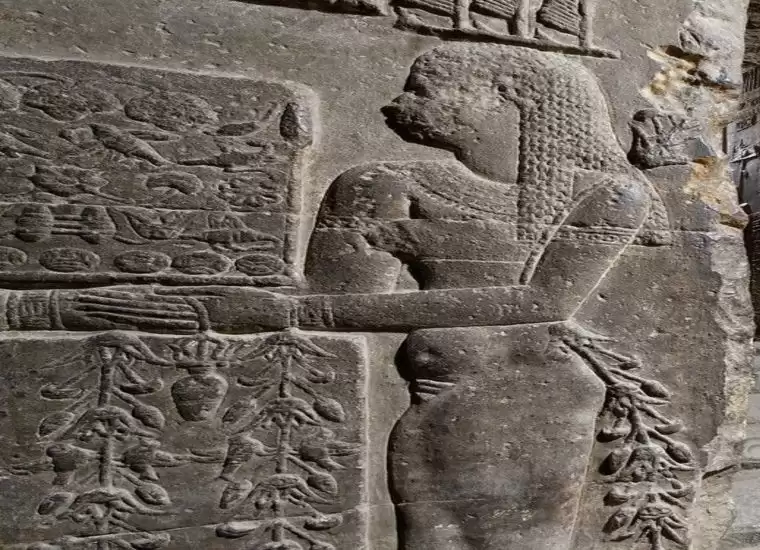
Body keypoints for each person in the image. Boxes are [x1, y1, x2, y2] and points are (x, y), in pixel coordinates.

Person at [9, 43, 668, 549]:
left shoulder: (610, 193)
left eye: (426, 89)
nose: (398, 103)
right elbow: (334, 296)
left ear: (509, 96)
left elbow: (540, 303)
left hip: (530, 399)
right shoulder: (380, 180)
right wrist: (190, 296)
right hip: (434, 389)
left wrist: (294, 311)